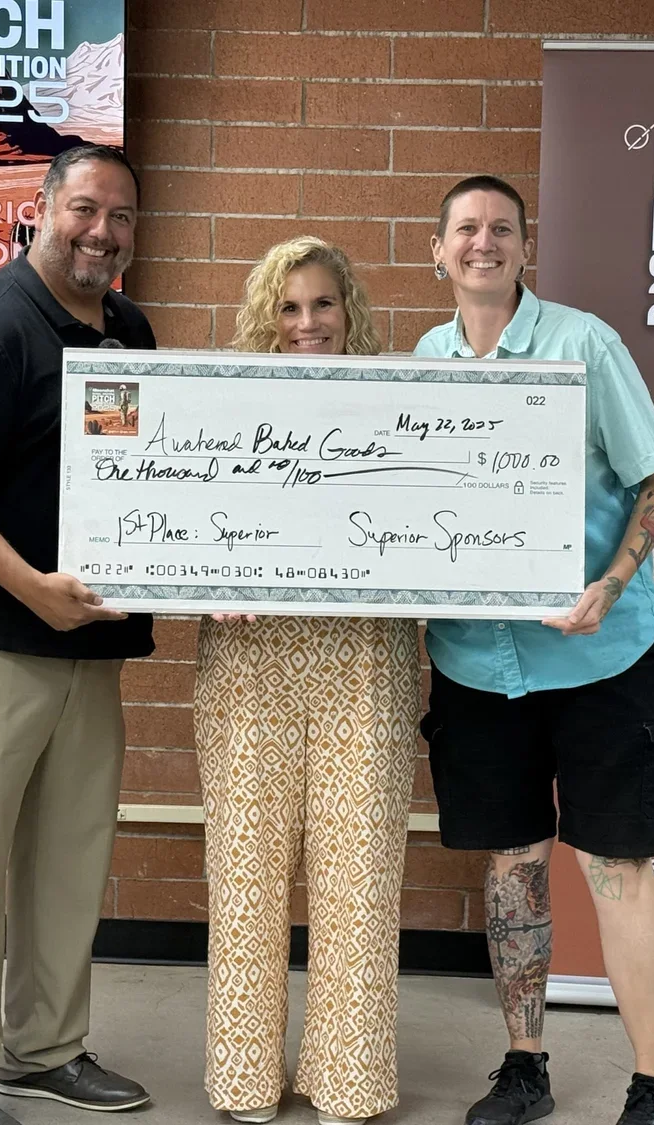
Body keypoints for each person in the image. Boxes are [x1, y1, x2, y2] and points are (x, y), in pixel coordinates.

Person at [413, 176, 654, 1125]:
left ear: (525, 248)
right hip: (478, 664)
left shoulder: (584, 344)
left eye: (501, 230)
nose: (483, 243)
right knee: (514, 868)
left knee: (617, 866)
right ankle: (524, 1064)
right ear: (437, 250)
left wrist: (608, 584)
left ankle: (652, 1084)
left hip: (601, 657)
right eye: (466, 230)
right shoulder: (424, 361)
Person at [0, 144, 156, 1125]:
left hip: (87, 648)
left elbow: (148, 473)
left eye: (121, 216)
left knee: (67, 861)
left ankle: (44, 1051)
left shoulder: (128, 329)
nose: (101, 231)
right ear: (42, 207)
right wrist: (30, 584)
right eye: (85, 209)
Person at [193, 236, 422, 1125]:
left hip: (366, 660)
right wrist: (204, 587)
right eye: (288, 307)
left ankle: (348, 1080)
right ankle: (245, 1078)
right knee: (245, 875)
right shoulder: (217, 409)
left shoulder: (401, 405)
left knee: (359, 874)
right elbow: (172, 523)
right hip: (248, 665)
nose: (306, 322)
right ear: (265, 317)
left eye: (322, 304)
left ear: (349, 309)